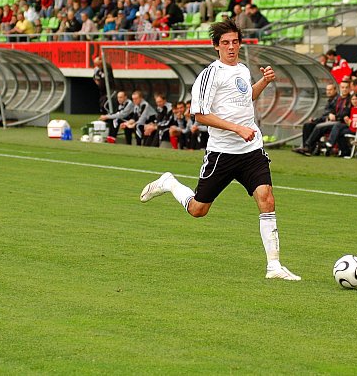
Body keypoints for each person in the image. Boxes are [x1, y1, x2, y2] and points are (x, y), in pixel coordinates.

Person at [139, 19, 300, 281]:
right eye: (225, 43)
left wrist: (264, 82)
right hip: (222, 153)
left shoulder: (243, 70)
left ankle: (274, 266)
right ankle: (169, 183)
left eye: (235, 42)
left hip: (251, 149)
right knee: (198, 210)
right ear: (216, 46)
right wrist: (237, 129)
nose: (231, 47)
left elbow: (246, 99)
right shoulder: (210, 75)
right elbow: (200, 115)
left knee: (266, 198)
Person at [292, 83, 342, 155]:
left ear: (335, 90)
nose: (328, 92)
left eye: (330, 90)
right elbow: (325, 115)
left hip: (332, 123)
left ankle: (308, 147)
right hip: (325, 120)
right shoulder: (330, 100)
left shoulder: (338, 100)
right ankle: (306, 147)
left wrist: (320, 119)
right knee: (307, 125)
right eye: (327, 90)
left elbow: (332, 115)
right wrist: (315, 119)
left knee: (318, 126)